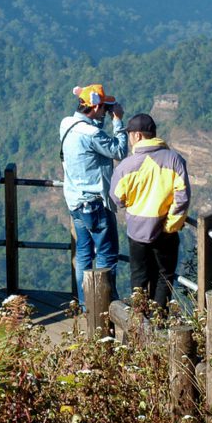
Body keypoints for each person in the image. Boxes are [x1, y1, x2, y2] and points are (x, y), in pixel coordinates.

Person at [110, 113, 190, 313]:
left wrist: (133, 203)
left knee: (139, 278)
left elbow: (117, 197)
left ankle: (138, 324)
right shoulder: (174, 160)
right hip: (165, 230)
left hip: (137, 231)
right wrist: (170, 225)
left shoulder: (126, 166)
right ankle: (159, 322)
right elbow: (182, 197)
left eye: (130, 134)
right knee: (164, 277)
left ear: (137, 136)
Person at [60, 84, 128, 305]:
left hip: (75, 203)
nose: (107, 111)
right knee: (107, 255)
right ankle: (105, 306)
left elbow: (92, 131)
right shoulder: (92, 134)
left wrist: (101, 116)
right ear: (97, 106)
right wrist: (117, 120)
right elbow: (119, 151)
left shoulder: (67, 124)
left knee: (83, 254)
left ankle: (84, 304)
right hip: (95, 204)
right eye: (105, 107)